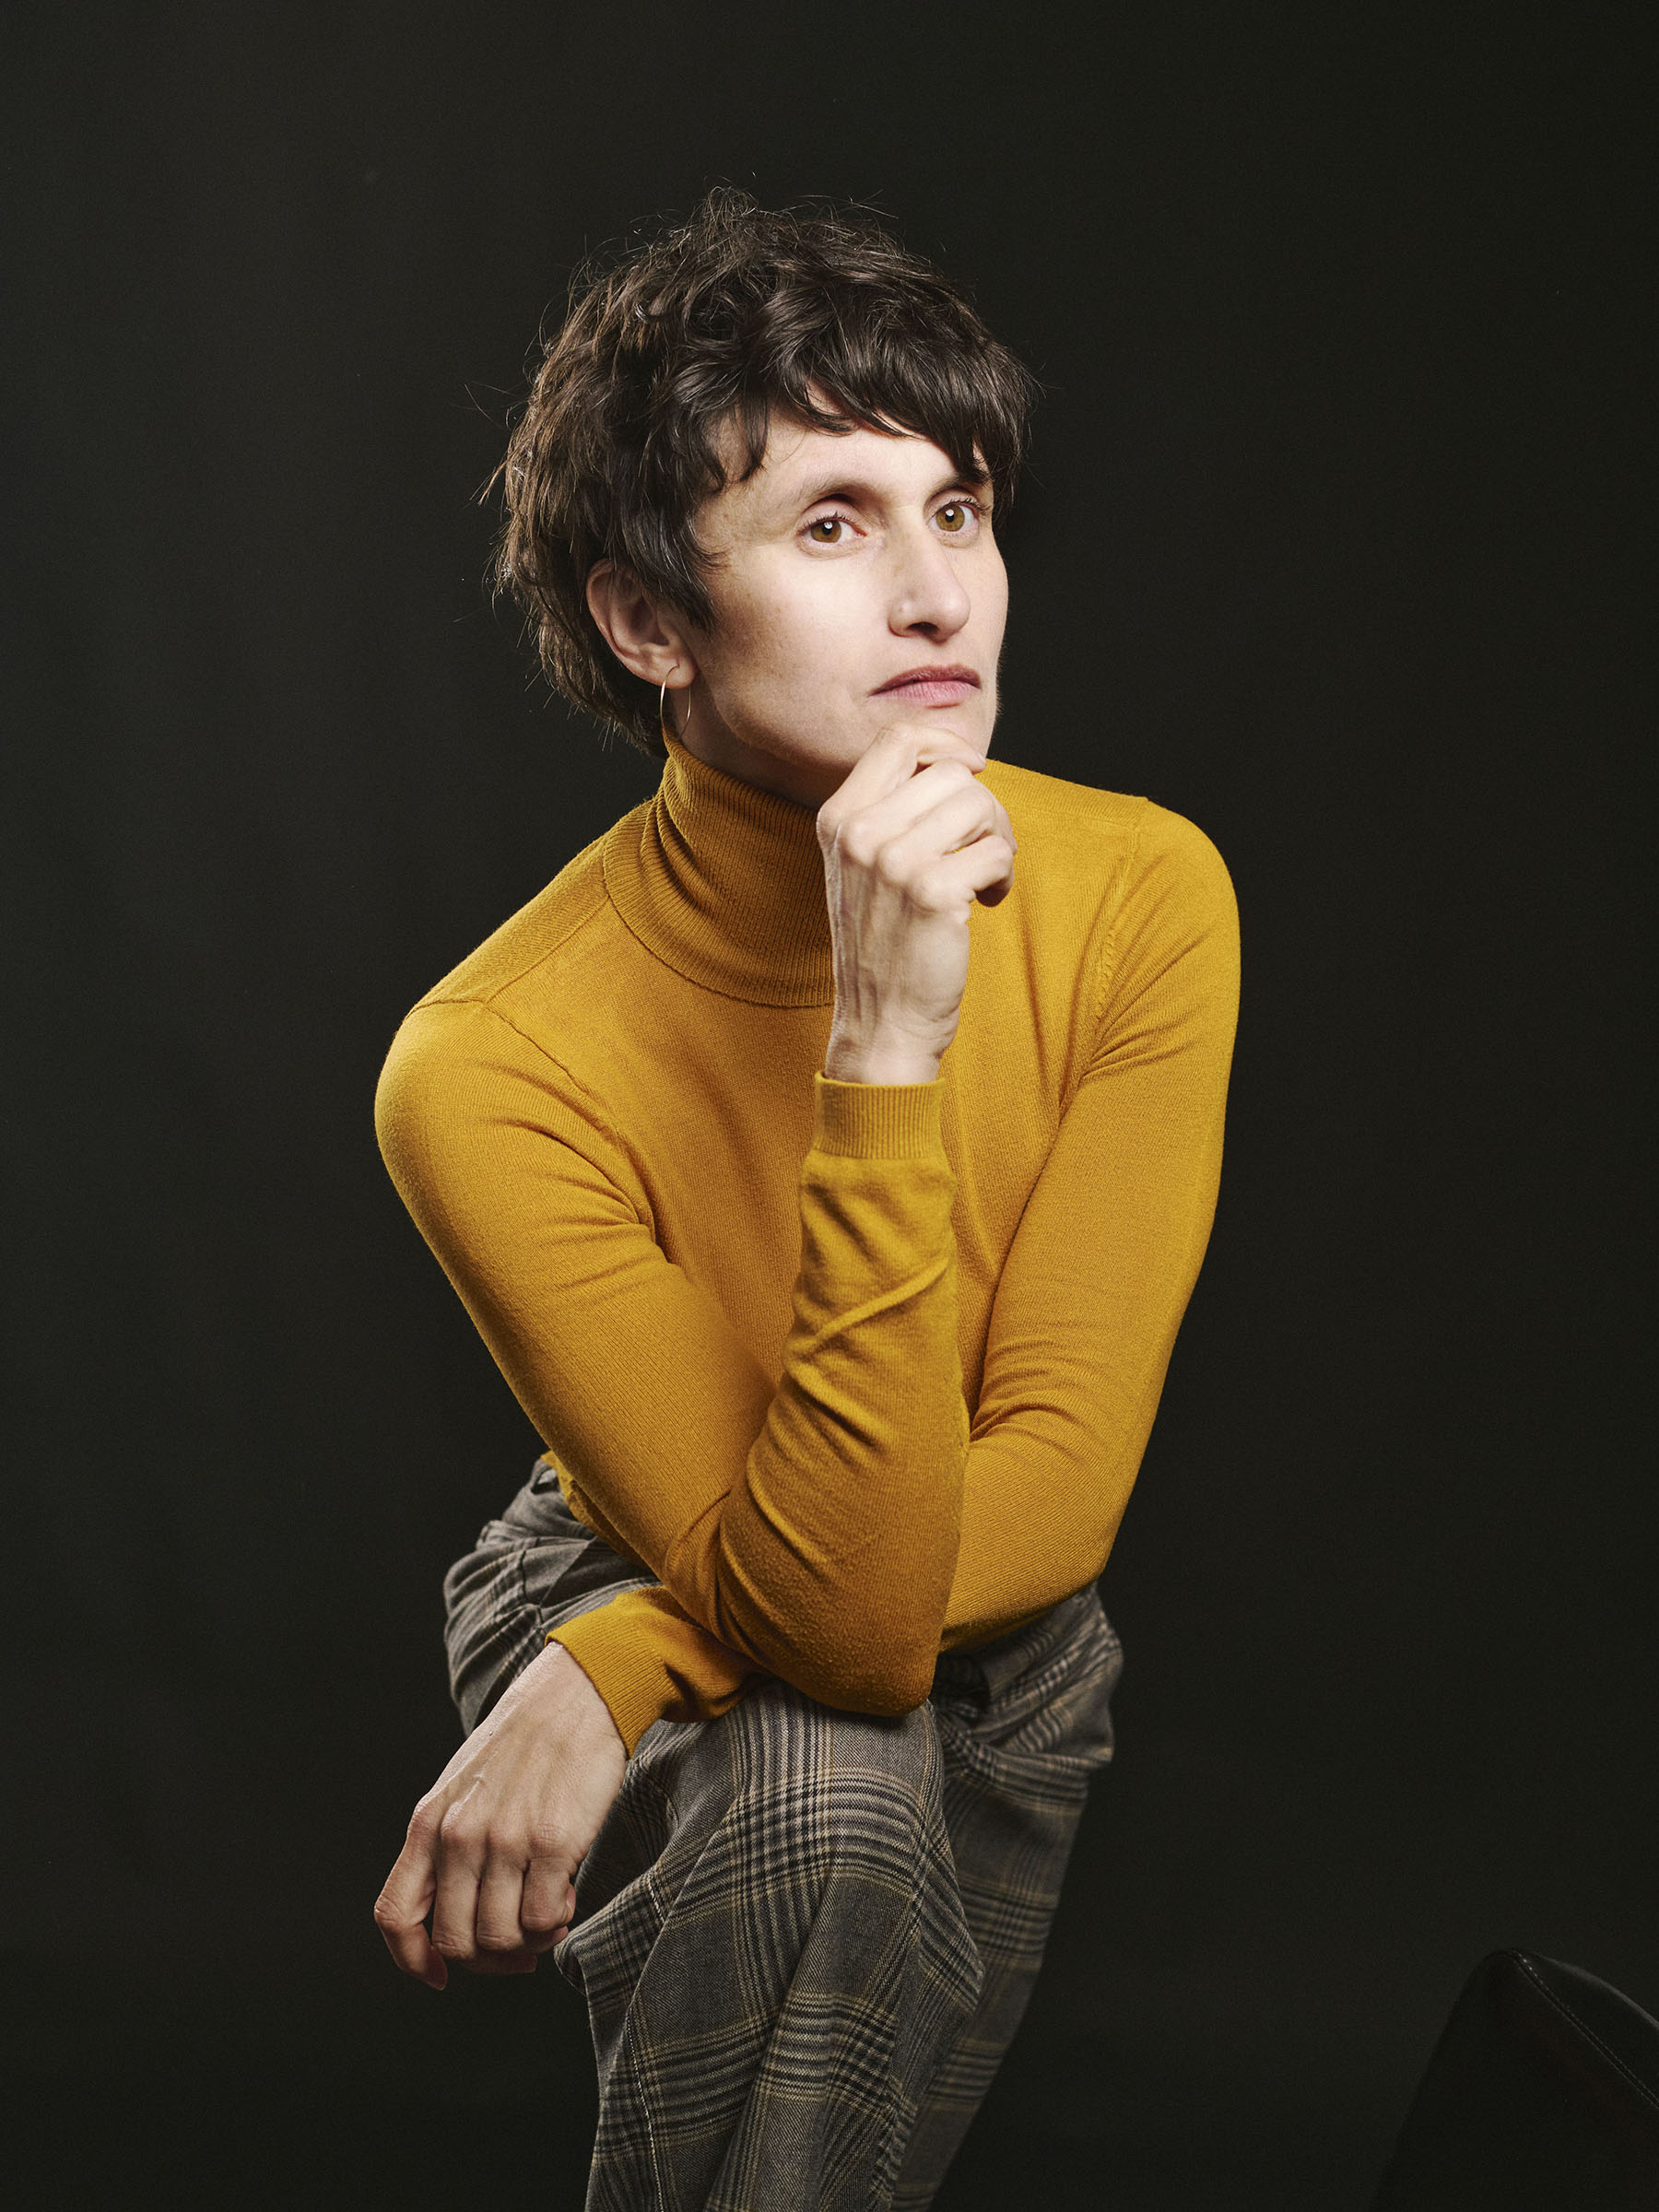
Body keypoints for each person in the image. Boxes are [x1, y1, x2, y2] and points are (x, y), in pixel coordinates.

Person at [371, 189, 1240, 2210]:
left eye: (962, 509)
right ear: (648, 623)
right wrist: (884, 1043)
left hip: (983, 1606)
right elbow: (837, 1639)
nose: (940, 596)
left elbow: (1049, 1493)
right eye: (834, 525)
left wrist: (630, 1667)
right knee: (824, 1791)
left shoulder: (1143, 896)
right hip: (640, 1526)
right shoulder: (487, 1061)